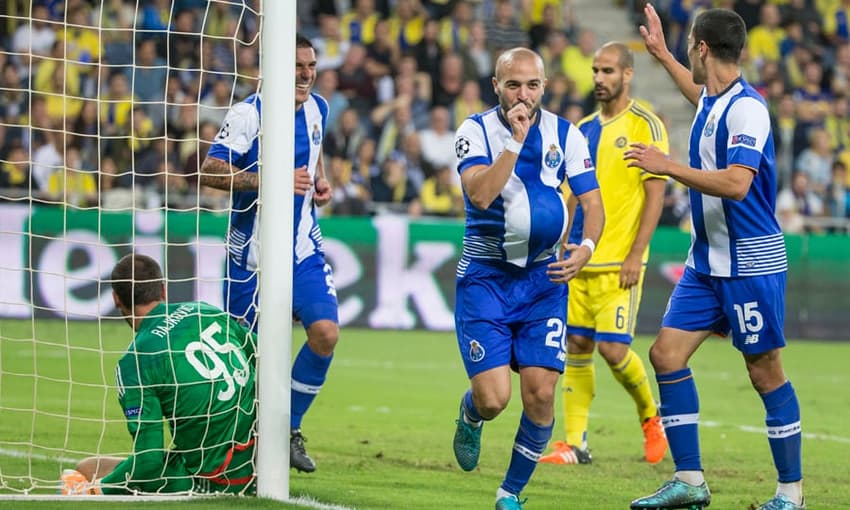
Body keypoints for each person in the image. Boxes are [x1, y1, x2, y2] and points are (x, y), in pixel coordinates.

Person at [626, 6, 804, 510]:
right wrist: (660, 54)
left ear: (703, 48)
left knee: (765, 371)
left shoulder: (748, 109)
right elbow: (695, 91)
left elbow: (737, 183)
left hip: (751, 263)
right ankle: (690, 481)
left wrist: (668, 166)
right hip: (707, 263)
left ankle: (790, 495)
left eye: (687, 46)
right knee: (665, 355)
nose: (687, 53)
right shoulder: (713, 98)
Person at [451, 47, 604, 510]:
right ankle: (470, 413)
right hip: (486, 281)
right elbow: (479, 195)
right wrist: (514, 142)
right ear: (496, 85)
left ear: (544, 85)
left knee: (540, 395)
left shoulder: (567, 134)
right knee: (495, 400)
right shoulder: (473, 131)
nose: (523, 94)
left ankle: (510, 493)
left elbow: (592, 203)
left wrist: (586, 248)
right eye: (513, 84)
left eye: (532, 84)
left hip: (543, 282)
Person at [199, 34, 338, 474]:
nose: (306, 73)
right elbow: (210, 170)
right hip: (251, 255)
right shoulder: (247, 113)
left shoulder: (319, 108)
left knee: (325, 333)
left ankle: (288, 430)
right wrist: (271, 178)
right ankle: (231, 447)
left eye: (311, 65)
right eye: (297, 65)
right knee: (246, 360)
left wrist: (320, 180)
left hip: (301, 246)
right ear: (275, 68)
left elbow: (313, 153)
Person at [540, 42, 669, 466]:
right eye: (596, 70)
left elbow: (655, 195)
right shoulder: (584, 130)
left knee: (614, 350)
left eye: (608, 71)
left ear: (627, 75)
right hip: (580, 258)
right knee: (576, 344)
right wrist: (561, 241)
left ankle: (651, 416)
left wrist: (637, 253)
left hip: (620, 262)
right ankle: (574, 442)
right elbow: (573, 195)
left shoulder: (645, 124)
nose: (599, 78)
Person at [60, 254, 256, 495]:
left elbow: (149, 463)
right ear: (163, 289)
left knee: (88, 473)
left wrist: (98, 491)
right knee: (88, 467)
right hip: (262, 456)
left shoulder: (135, 362)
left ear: (116, 299)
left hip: (217, 479)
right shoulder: (204, 311)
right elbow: (262, 356)